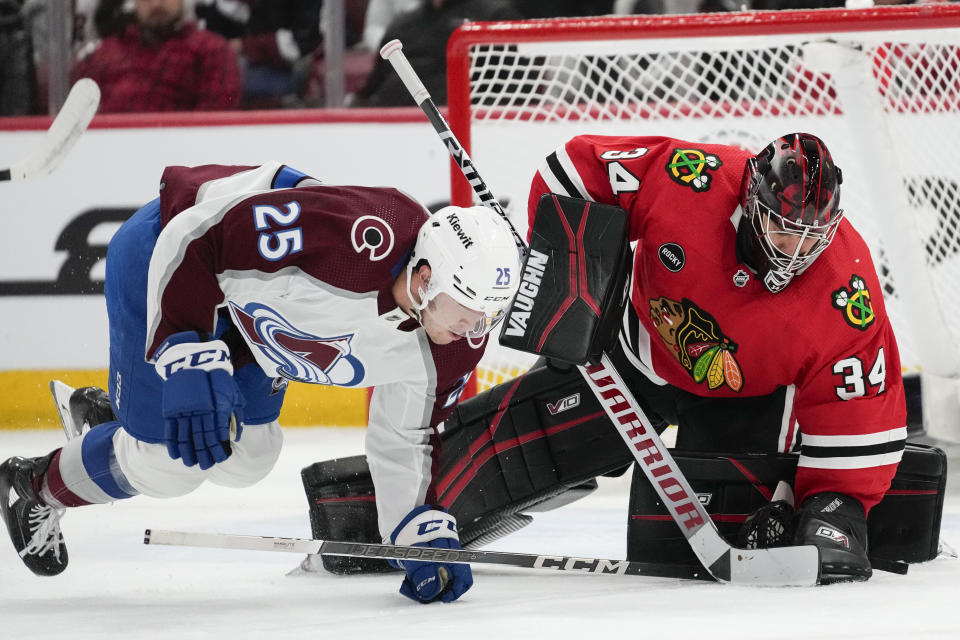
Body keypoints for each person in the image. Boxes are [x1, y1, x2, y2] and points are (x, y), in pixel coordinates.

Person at [0, 161, 522, 605]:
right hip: (169, 256)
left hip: (254, 323)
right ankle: (34, 485)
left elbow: (405, 436)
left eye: (489, 317)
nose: (478, 330)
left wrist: (416, 529)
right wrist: (185, 351)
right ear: (426, 279)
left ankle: (117, 428)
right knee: (167, 464)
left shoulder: (455, 337)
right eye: (472, 311)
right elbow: (197, 238)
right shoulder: (353, 236)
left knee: (250, 458)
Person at [528, 132, 907, 582]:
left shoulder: (848, 288)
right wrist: (561, 273)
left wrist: (836, 506)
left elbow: (860, 405)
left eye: (811, 240)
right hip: (635, 349)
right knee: (523, 448)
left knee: (680, 563)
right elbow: (572, 172)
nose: (796, 254)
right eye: (783, 231)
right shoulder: (688, 176)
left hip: (749, 398)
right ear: (751, 198)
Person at [70, 0, 242, 112]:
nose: (156, 4)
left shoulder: (211, 50)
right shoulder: (103, 54)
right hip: (103, 155)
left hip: (178, 159)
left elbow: (213, 126)